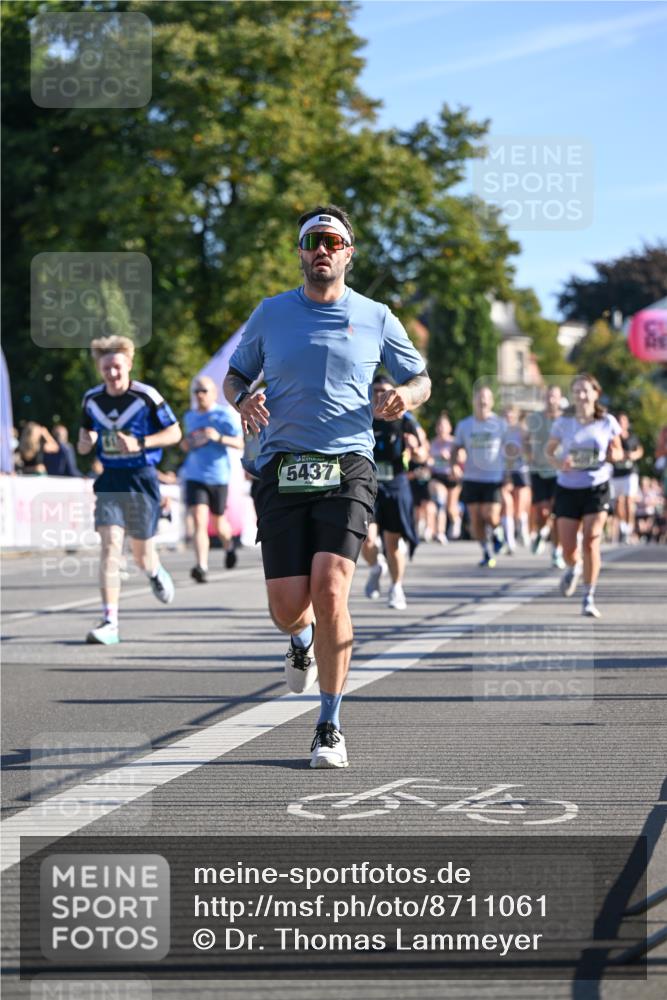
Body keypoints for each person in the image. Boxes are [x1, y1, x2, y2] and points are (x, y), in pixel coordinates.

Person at [223, 205, 430, 768]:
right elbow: (234, 375)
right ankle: (300, 638)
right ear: (300, 251)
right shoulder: (271, 314)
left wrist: (405, 397)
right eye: (313, 240)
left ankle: (329, 725)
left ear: (348, 253)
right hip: (283, 465)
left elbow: (421, 378)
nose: (322, 249)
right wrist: (243, 399)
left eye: (333, 242)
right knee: (288, 607)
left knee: (331, 588)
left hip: (348, 464)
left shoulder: (376, 316)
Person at [78, 335, 182, 644]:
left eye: (117, 367)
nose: (112, 374)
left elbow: (175, 433)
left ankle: (154, 571)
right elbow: (83, 441)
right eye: (106, 368)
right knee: (110, 544)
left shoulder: (146, 396)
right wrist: (85, 442)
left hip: (141, 478)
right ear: (99, 369)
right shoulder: (91, 399)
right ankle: (110, 621)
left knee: (141, 556)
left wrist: (141, 443)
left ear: (129, 365)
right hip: (110, 479)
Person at [546, 372, 623, 618]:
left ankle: (588, 596)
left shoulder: (608, 421)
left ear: (596, 393)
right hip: (568, 488)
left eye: (586, 390)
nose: (581, 395)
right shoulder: (563, 422)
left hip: (597, 487)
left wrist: (612, 455)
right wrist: (560, 464)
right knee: (568, 549)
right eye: (577, 391)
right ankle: (574, 566)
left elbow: (619, 452)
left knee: (591, 541)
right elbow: (549, 452)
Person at [361, 374, 422, 610]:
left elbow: (423, 453)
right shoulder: (362, 417)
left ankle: (396, 588)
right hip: (368, 485)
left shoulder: (404, 419)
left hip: (396, 483)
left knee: (392, 541)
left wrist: (415, 450)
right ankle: (376, 567)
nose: (380, 394)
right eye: (375, 390)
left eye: (384, 390)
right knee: (366, 538)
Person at [180, 375, 244, 582]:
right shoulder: (189, 417)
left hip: (218, 477)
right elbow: (186, 444)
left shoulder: (223, 415)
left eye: (204, 391)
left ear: (214, 393)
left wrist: (218, 437)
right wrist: (187, 444)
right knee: (199, 520)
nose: (199, 395)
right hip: (195, 475)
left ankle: (229, 546)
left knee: (218, 523)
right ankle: (201, 566)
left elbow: (240, 443)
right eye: (196, 391)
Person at [452, 385, 506, 568]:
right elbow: (456, 447)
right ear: (473, 401)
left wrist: (510, 473)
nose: (482, 401)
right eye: (479, 398)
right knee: (476, 520)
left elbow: (510, 449)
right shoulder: (464, 425)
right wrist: (454, 465)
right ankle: (486, 552)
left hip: (493, 478)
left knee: (490, 515)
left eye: (486, 398)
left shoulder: (500, 424)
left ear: (491, 402)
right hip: (471, 478)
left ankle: (498, 532)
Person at [527, 384, 565, 568]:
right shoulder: (535, 418)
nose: (551, 400)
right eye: (548, 396)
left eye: (554, 396)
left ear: (559, 399)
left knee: (557, 514)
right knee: (542, 513)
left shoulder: (566, 419)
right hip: (539, 470)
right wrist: (528, 454)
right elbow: (525, 438)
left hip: (559, 472)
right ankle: (541, 532)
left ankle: (556, 552)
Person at [500, 405, 531, 552]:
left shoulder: (522, 431)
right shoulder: (500, 431)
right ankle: (509, 539)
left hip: (520, 470)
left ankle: (522, 527)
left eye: (511, 414)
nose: (509, 417)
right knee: (507, 502)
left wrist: (520, 449)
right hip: (504, 471)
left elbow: (529, 453)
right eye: (506, 414)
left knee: (519, 507)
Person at [610, 412, 643, 543]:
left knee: (629, 501)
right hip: (617, 473)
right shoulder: (613, 437)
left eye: (624, 421)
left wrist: (634, 455)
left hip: (630, 473)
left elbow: (640, 450)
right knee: (619, 502)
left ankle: (629, 529)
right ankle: (623, 527)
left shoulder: (633, 437)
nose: (621, 423)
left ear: (627, 423)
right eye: (619, 421)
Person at [428, 411, 461, 542]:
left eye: (444, 426)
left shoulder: (454, 443)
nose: (441, 428)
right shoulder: (433, 443)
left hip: (452, 476)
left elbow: (463, 458)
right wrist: (430, 463)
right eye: (439, 426)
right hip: (438, 476)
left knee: (451, 507)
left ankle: (456, 520)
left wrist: (449, 458)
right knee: (440, 501)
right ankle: (440, 532)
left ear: (449, 428)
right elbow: (429, 459)